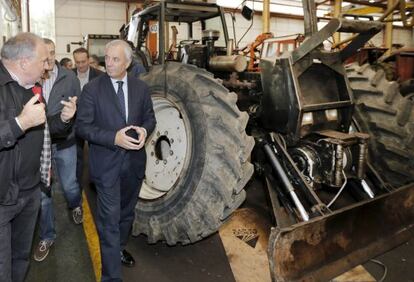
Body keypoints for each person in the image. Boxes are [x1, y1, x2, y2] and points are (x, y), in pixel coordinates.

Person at [76, 39, 156, 282]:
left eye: (115, 59)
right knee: (108, 221)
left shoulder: (141, 88)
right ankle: (111, 277)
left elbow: (150, 118)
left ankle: (119, 248)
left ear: (128, 63)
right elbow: (82, 128)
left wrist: (144, 130)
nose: (108, 63)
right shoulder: (92, 89)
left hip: (133, 165)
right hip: (106, 166)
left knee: (126, 214)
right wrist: (114, 138)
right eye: (107, 58)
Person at [0, 32, 77, 282]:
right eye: (44, 61)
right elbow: (23, 126)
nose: (48, 66)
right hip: (2, 197)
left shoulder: (32, 88)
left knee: (20, 258)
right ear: (24, 62)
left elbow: (42, 130)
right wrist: (19, 123)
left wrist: (63, 120)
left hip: (30, 191)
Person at [33, 38, 83, 262]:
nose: (50, 57)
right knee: (44, 194)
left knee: (70, 184)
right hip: (38, 145)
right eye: (46, 53)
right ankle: (47, 236)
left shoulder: (69, 77)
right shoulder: (32, 77)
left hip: (65, 143)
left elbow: (76, 108)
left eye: (53, 52)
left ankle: (75, 204)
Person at [72, 47, 104, 186]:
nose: (80, 65)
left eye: (83, 62)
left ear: (88, 59)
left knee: (96, 154)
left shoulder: (99, 76)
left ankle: (96, 182)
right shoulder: (69, 75)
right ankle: (78, 185)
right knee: (77, 156)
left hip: (94, 122)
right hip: (75, 122)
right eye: (77, 62)